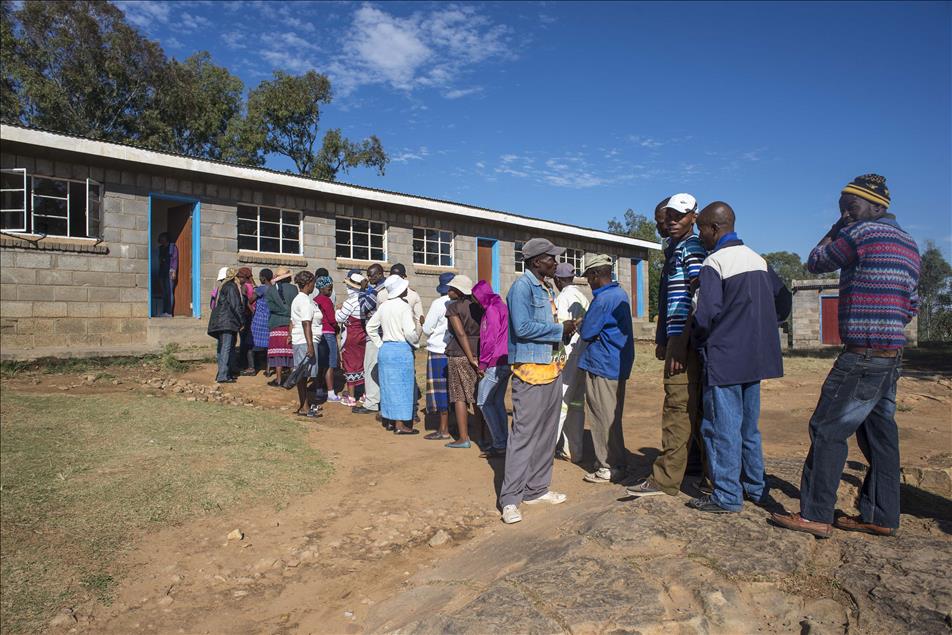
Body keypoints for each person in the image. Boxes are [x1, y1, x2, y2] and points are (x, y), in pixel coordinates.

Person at [771, 174, 921, 538]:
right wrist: (886, 324)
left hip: (862, 354)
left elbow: (815, 261)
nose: (845, 214)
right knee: (880, 435)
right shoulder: (911, 244)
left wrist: (837, 226)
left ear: (877, 207)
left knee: (826, 428)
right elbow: (912, 304)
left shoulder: (861, 233)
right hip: (891, 354)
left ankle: (816, 514)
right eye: (842, 209)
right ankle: (881, 515)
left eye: (850, 207)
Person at [684, 203, 791, 513]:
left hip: (725, 358)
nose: (700, 235)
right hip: (756, 358)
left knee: (720, 428)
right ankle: (755, 488)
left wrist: (700, 339)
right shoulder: (757, 259)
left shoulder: (714, 262)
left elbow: (706, 315)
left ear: (715, 229)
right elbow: (783, 301)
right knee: (748, 428)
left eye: (702, 228)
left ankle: (727, 496)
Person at [628, 194, 709, 499]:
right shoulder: (676, 249)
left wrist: (678, 341)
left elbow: (697, 300)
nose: (668, 222)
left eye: (675, 217)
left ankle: (665, 480)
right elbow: (671, 300)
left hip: (685, 343)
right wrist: (664, 337)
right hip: (677, 340)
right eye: (666, 218)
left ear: (693, 218)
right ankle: (694, 466)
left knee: (678, 407)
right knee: (690, 405)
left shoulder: (692, 248)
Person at [498, 238, 576, 524]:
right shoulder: (522, 287)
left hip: (551, 368)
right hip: (529, 371)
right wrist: (558, 329)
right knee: (524, 435)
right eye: (550, 258)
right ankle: (510, 499)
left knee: (546, 433)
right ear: (535, 261)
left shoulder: (545, 287)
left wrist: (563, 332)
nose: (555, 262)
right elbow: (522, 327)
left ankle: (537, 489)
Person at [578, 254, 635, 484]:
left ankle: (609, 466)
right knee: (612, 415)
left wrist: (581, 323)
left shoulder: (602, 300)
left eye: (589, 277)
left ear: (595, 274)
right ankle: (615, 461)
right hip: (615, 363)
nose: (588, 282)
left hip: (602, 364)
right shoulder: (619, 293)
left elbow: (588, 332)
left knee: (602, 416)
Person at [366, 274, 421, 434]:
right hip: (401, 350)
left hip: (386, 350)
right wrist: (415, 342)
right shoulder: (404, 307)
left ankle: (389, 420)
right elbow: (410, 332)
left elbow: (370, 327)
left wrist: (379, 344)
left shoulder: (384, 306)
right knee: (402, 388)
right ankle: (400, 425)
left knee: (388, 387)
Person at [553, 261, 589, 463]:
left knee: (560, 403)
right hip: (582, 353)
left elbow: (562, 329)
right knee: (575, 404)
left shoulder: (564, 297)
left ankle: (545, 451)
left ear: (558, 279)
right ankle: (573, 451)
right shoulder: (583, 297)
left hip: (567, 354)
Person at [443, 275, 485, 449]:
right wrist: (477, 356)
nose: (448, 291)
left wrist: (470, 357)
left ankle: (463, 438)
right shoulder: (478, 306)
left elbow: (460, 334)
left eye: (451, 288)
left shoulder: (454, 307)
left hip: (460, 352)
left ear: (459, 291)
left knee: (459, 395)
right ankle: (482, 436)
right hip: (480, 350)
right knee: (477, 395)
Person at [473, 279, 510, 459]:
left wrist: (483, 363)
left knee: (483, 402)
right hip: (506, 360)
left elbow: (490, 339)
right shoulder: (502, 306)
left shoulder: (491, 310)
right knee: (497, 402)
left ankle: (500, 443)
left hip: (494, 363)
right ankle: (505, 440)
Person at [422, 273, 455, 440]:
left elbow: (427, 329)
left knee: (441, 389)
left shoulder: (438, 304)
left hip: (438, 349)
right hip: (456, 350)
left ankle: (443, 428)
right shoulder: (462, 302)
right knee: (454, 388)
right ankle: (456, 422)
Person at [353, 263, 386, 415]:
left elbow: (364, 307)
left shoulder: (378, 289)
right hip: (384, 334)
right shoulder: (385, 287)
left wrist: (362, 290)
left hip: (375, 335)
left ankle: (372, 403)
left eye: (371, 275)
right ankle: (380, 400)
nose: (369, 278)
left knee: (371, 367)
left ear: (379, 274)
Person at [289, 270, 322, 417]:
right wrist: (309, 345)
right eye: (313, 283)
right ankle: (304, 406)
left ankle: (305, 405)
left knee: (303, 374)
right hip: (305, 341)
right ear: (308, 284)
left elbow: (293, 321)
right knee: (303, 374)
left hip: (302, 340)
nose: (314, 286)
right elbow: (306, 323)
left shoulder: (302, 299)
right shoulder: (304, 301)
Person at [207, 267, 244, 384]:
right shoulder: (231, 287)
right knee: (226, 347)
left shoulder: (221, 287)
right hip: (227, 322)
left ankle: (223, 372)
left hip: (219, 321)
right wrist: (242, 321)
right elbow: (235, 305)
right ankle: (223, 375)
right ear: (234, 277)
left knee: (222, 347)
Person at [336, 270, 368, 407]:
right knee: (361, 363)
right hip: (362, 334)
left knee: (349, 363)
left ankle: (351, 396)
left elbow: (339, 318)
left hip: (350, 336)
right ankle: (364, 394)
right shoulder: (365, 300)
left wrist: (338, 309)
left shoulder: (350, 302)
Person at [265, 267, 296, 387]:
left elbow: (271, 307)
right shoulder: (294, 289)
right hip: (291, 324)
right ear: (288, 277)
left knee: (277, 353)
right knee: (290, 351)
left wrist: (283, 311)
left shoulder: (271, 290)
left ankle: (278, 379)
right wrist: (288, 313)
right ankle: (291, 378)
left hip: (276, 323)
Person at [313, 274, 340, 402]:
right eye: (329, 289)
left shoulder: (315, 300)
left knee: (321, 363)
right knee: (330, 363)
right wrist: (337, 327)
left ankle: (318, 390)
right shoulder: (326, 300)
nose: (330, 291)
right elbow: (331, 319)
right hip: (328, 333)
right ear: (322, 288)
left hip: (318, 333)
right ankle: (330, 392)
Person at [250, 268, 273, 375]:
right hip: (270, 320)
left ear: (263, 278)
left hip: (258, 320)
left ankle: (252, 368)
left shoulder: (261, 289)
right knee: (269, 346)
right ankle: (268, 370)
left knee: (252, 344)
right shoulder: (274, 289)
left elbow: (251, 300)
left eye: (260, 276)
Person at [236, 267, 257, 375]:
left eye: (239, 277)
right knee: (249, 340)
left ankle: (246, 365)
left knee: (244, 341)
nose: (239, 279)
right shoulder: (253, 286)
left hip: (247, 316)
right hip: (252, 316)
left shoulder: (244, 287)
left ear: (244, 277)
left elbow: (245, 302)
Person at [157, 232, 178, 317]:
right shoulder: (161, 248)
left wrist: (174, 271)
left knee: (169, 292)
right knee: (164, 293)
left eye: (163, 238)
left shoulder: (172, 247)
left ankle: (169, 312)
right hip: (162, 272)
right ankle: (164, 311)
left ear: (166, 239)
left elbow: (175, 259)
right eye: (160, 239)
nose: (161, 240)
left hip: (169, 272)